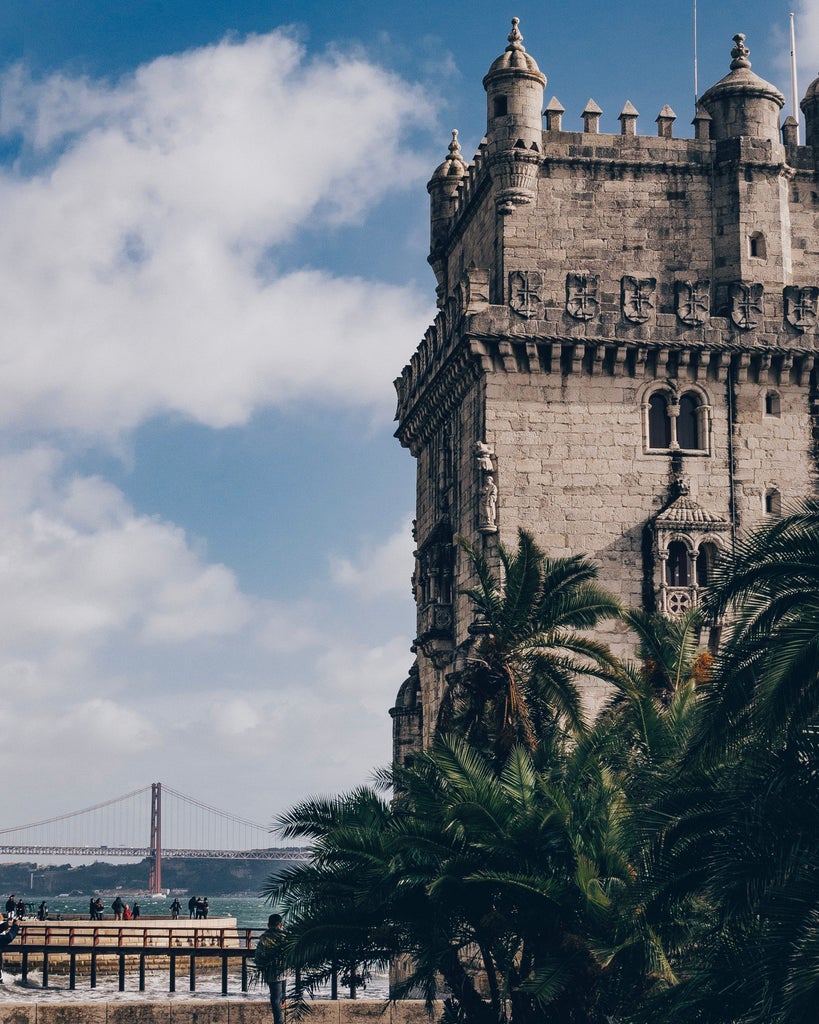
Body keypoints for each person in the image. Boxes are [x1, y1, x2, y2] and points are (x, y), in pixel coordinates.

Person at [255, 913, 287, 1024]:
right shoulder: (285, 937)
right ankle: (280, 1021)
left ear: (268, 925)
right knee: (281, 997)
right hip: (284, 970)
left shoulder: (265, 938)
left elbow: (259, 955)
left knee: (276, 999)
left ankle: (279, 1022)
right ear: (281, 925)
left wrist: (261, 967)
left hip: (271, 971)